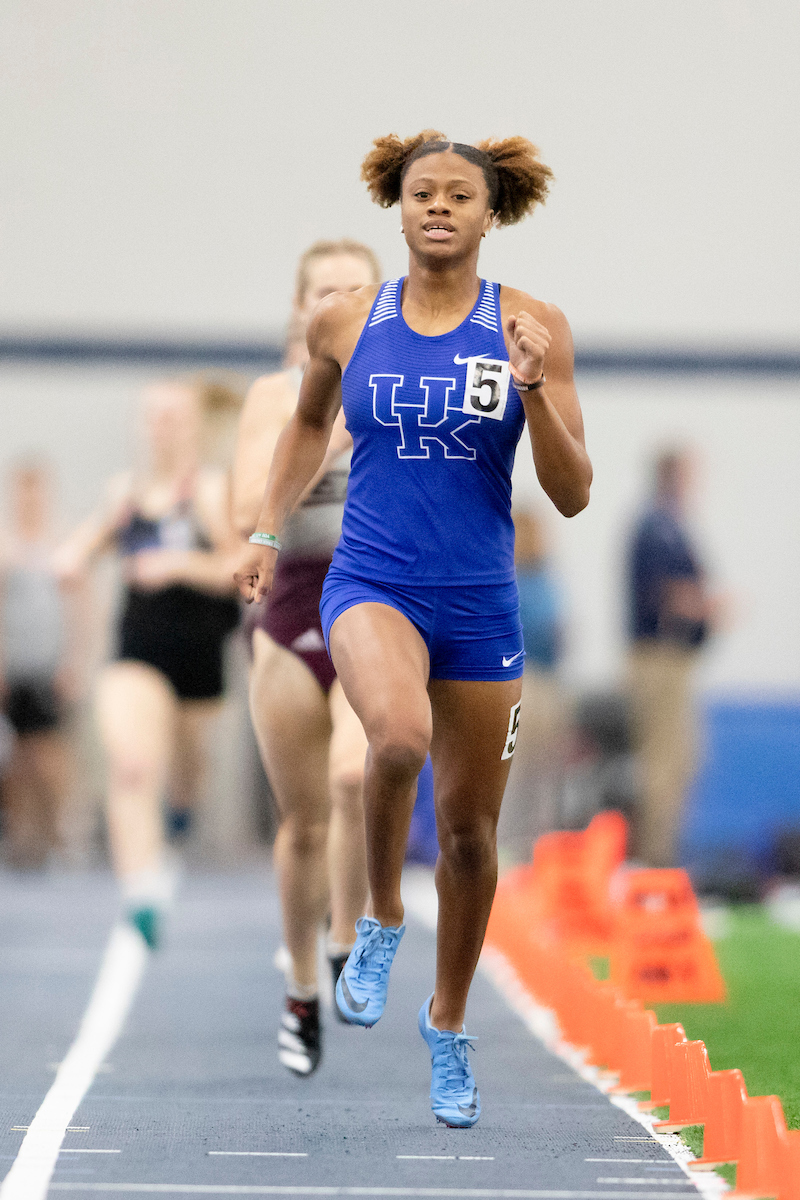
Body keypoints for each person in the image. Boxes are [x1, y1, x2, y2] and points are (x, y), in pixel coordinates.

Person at [234, 130, 592, 1126]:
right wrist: (268, 525)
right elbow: (307, 423)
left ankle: (446, 1023)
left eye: (457, 197)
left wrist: (528, 387)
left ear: (489, 215)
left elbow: (569, 495)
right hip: (372, 580)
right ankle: (382, 915)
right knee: (393, 738)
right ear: (396, 208)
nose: (437, 208)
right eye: (420, 194)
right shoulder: (347, 322)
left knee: (471, 836)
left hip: (478, 601)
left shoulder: (531, 326)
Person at [232, 239, 381, 1077]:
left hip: (372, 598)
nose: (338, 302)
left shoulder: (399, 388)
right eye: (324, 292)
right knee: (302, 823)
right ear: (303, 310)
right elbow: (243, 510)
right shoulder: (272, 396)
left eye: (354, 290)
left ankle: (343, 936)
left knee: (356, 777)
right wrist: (327, 432)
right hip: (291, 602)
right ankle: (297, 980)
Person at [56, 377, 242, 947]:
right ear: (142, 425)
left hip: (199, 653)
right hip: (136, 648)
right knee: (133, 764)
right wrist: (73, 561)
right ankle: (141, 888)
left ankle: (179, 815)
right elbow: (81, 550)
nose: (162, 428)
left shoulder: (209, 491)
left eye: (173, 417)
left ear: (192, 425)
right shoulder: (125, 493)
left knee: (185, 771)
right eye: (154, 417)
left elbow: (243, 569)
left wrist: (178, 564)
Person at [626, 447, 715, 868]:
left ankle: (664, 849)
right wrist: (706, 605)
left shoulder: (672, 527)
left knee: (684, 758)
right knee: (663, 759)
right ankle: (655, 857)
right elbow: (665, 593)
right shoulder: (654, 529)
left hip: (675, 658)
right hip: (657, 658)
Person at [0, 460, 83, 868]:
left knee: (51, 757)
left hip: (51, 667)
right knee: (17, 758)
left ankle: (60, 839)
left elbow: (77, 609)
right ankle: (23, 840)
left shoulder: (61, 545)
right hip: (16, 668)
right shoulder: (6, 548)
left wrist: (73, 661)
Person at [496, 508, 567, 864]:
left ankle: (531, 852)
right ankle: (512, 851)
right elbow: (551, 633)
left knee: (534, 777)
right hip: (526, 682)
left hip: (536, 683)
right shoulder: (518, 579)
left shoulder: (537, 578)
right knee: (521, 776)